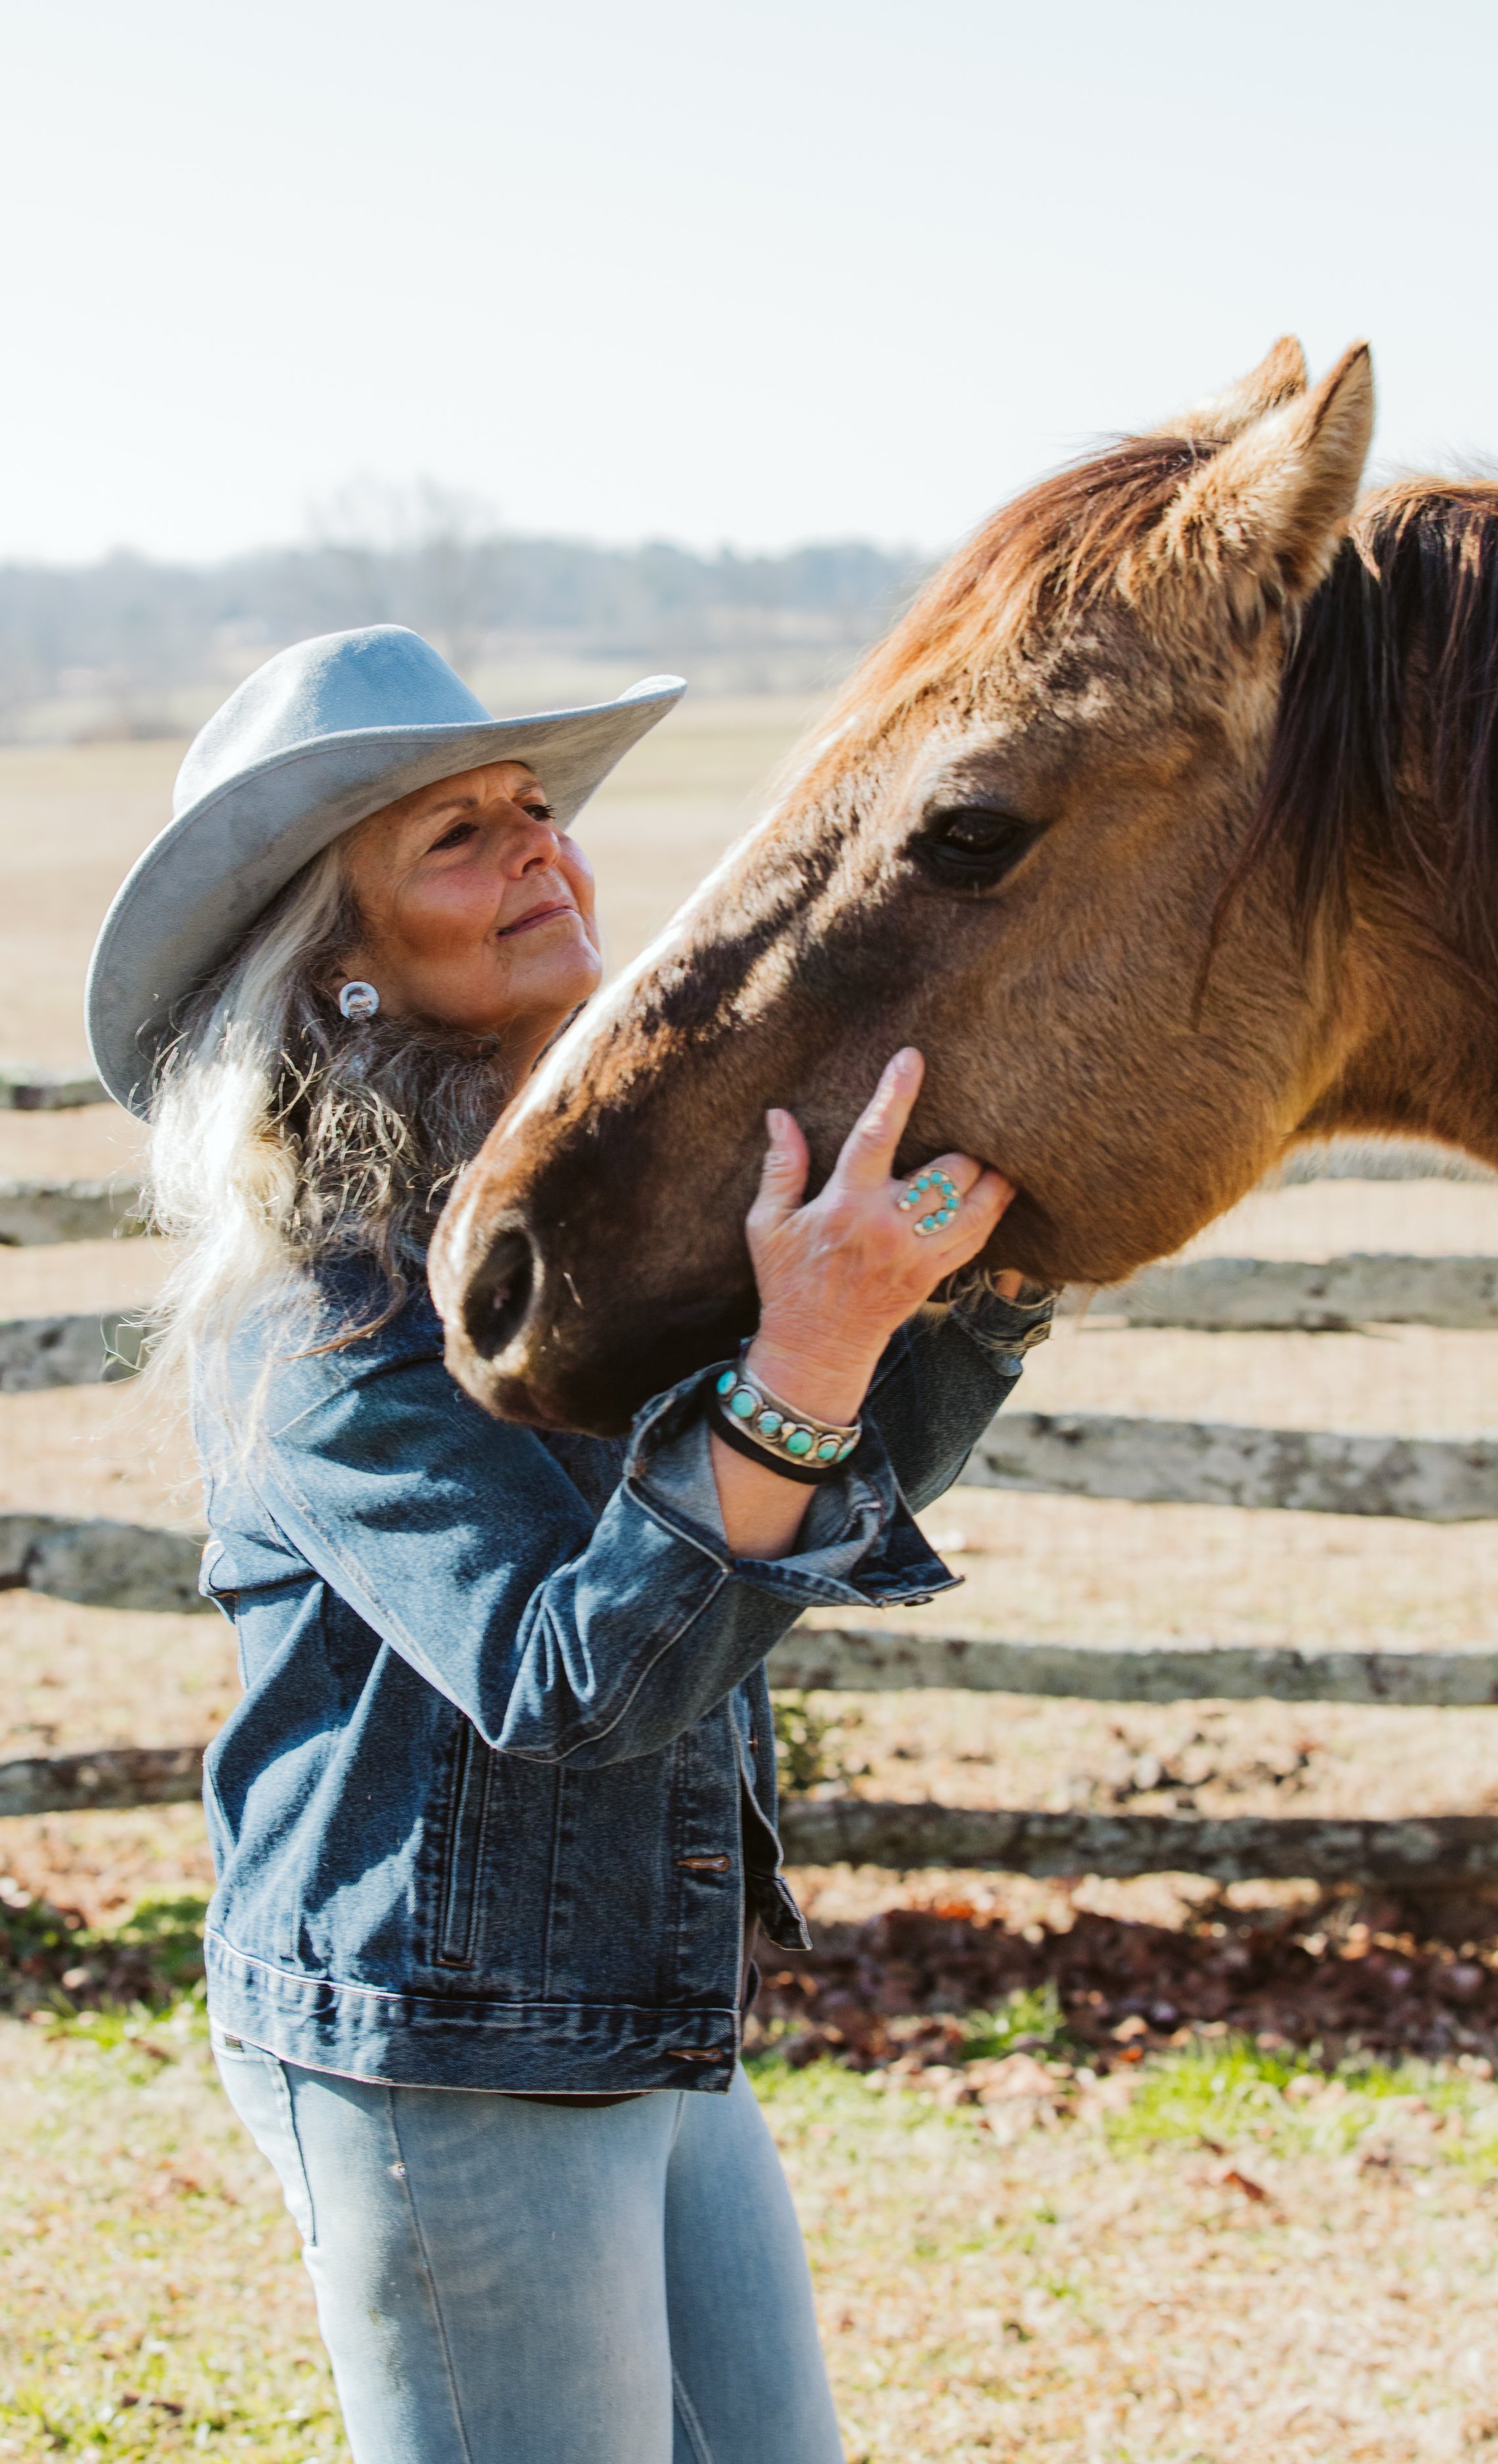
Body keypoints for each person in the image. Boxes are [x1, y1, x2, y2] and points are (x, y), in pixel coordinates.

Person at [85, 624, 1057, 2464]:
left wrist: (984, 1295)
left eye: (536, 809)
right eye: (456, 836)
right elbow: (573, 1678)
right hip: (437, 2050)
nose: (544, 849)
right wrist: (810, 1354)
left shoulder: (569, 1244)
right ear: (336, 962)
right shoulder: (322, 1317)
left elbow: (791, 1511)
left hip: (646, 1999)